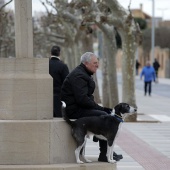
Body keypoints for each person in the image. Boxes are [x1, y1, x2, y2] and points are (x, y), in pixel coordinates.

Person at [61, 52, 123, 162]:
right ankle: (104, 154)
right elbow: (82, 99)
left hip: (79, 107)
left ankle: (105, 150)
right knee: (104, 116)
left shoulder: (83, 73)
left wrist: (99, 107)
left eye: (97, 63)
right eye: (95, 63)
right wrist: (100, 109)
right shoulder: (79, 76)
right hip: (74, 110)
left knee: (105, 113)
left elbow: (86, 99)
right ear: (86, 63)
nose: (97, 65)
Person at [49, 45, 69, 117]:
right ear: (59, 53)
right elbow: (66, 83)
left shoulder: (45, 65)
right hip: (59, 98)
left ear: (50, 53)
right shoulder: (63, 66)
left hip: (46, 98)